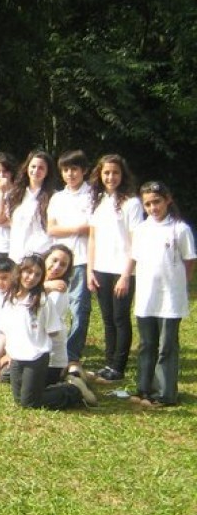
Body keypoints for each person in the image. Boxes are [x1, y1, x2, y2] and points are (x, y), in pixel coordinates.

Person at [0, 254, 97, 410]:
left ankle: (72, 390)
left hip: (36, 357)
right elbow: (6, 332)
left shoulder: (42, 301)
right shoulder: (9, 299)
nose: (31, 277)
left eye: (37, 274)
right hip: (17, 357)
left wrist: (36, 341)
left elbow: (54, 332)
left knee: (30, 403)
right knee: (19, 399)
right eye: (28, 272)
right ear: (19, 272)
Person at [129, 181, 195, 408]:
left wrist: (180, 285)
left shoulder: (179, 229)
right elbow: (136, 258)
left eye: (156, 202)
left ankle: (165, 392)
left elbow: (189, 261)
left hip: (170, 299)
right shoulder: (141, 229)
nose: (153, 208)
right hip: (147, 296)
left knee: (167, 345)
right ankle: (144, 388)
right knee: (147, 344)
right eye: (147, 204)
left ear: (167, 200)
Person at [86, 154, 143, 383]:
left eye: (115, 172)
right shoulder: (98, 201)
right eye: (106, 172)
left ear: (123, 175)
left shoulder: (132, 203)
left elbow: (136, 241)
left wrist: (126, 275)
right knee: (108, 318)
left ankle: (118, 367)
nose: (111, 177)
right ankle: (108, 363)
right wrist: (90, 270)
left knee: (121, 318)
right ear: (100, 174)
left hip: (122, 270)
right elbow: (92, 239)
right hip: (101, 268)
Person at [46, 150, 93, 369]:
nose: (70, 174)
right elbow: (51, 228)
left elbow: (93, 228)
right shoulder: (57, 197)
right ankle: (54, 348)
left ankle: (72, 352)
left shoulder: (93, 195)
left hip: (83, 258)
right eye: (66, 170)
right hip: (59, 261)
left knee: (79, 307)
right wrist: (77, 228)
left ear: (84, 170)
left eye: (74, 169)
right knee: (54, 304)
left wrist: (69, 229)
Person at [7, 150, 56, 264]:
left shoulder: (54, 196)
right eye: (33, 166)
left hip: (41, 255)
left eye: (41, 168)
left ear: (47, 172)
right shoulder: (14, 195)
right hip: (17, 256)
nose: (36, 171)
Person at [42, 244, 75, 385]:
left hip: (50, 356)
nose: (56, 267)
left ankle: (74, 389)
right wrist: (45, 286)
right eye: (54, 260)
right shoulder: (45, 284)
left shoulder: (59, 290)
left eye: (63, 265)